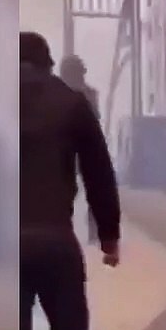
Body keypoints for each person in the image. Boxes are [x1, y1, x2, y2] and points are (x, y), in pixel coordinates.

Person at [19, 32, 120, 330]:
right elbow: (99, 170)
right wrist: (109, 234)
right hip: (56, 239)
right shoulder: (70, 102)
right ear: (49, 63)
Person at [59, 54, 100, 244]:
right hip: (84, 148)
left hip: (64, 149)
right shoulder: (89, 94)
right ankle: (92, 230)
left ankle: (66, 228)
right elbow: (95, 118)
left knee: (64, 191)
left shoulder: (55, 93)